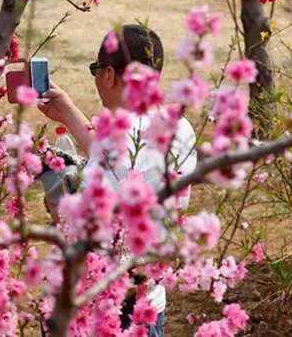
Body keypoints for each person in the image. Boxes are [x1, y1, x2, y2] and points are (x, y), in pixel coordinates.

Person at [37, 24, 198, 337]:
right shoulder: (181, 128)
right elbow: (117, 160)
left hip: (101, 305)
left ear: (109, 75)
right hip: (147, 301)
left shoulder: (122, 138)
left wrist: (57, 200)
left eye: (96, 70)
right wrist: (69, 113)